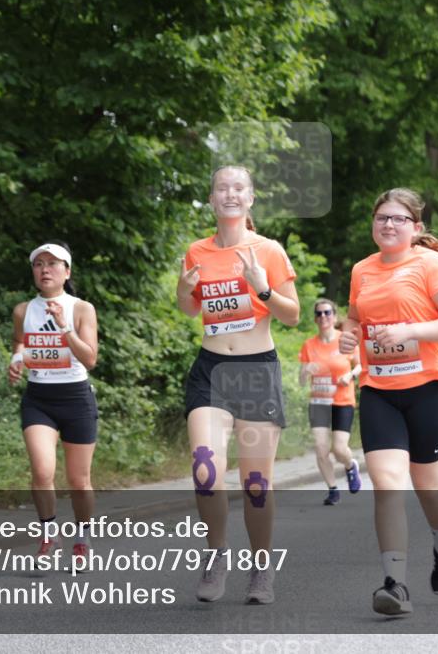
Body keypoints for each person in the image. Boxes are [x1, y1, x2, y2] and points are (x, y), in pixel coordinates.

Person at [339, 187, 438, 615]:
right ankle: (395, 584)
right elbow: (356, 317)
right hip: (379, 391)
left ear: (415, 228)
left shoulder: (428, 264)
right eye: (382, 218)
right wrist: (347, 334)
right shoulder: (362, 269)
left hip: (428, 388)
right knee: (387, 483)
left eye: (398, 219)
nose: (389, 225)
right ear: (373, 225)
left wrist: (410, 331)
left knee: (427, 484)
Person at [177, 165, 299, 605]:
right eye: (221, 188)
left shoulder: (268, 250)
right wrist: (182, 288)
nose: (229, 194)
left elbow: (292, 315)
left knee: (255, 483)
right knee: (205, 469)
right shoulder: (197, 251)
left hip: (255, 372)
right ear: (211, 199)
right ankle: (215, 555)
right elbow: (190, 310)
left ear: (250, 198)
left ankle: (261, 566)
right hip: (211, 369)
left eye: (238, 188)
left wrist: (262, 289)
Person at [8, 242, 99, 565]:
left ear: (67, 271)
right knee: (42, 471)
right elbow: (20, 341)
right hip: (39, 400)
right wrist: (17, 359)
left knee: (79, 480)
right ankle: (49, 538)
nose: (45, 269)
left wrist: (63, 327)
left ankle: (82, 541)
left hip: (76, 399)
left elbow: (90, 359)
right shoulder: (23, 310)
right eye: (38, 264)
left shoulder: (81, 309)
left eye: (53, 263)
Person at [299, 298, 362, 505]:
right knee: (320, 447)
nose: (323, 317)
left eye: (327, 313)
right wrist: (305, 372)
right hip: (319, 401)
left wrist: (350, 376)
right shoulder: (309, 345)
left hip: (342, 400)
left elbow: (360, 366)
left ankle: (350, 465)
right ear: (315, 319)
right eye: (319, 314)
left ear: (334, 316)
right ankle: (333, 489)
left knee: (339, 449)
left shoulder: (345, 339)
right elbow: (301, 380)